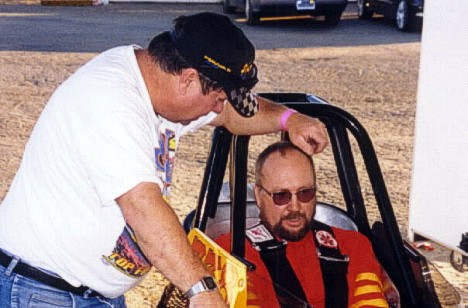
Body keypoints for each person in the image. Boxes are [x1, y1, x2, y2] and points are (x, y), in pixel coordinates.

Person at [0, 12, 328, 308]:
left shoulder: (156, 83)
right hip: (42, 291)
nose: (217, 108)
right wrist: (202, 289)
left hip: (90, 293)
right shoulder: (110, 100)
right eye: (215, 98)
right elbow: (142, 208)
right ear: (187, 79)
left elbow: (231, 116)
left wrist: (288, 119)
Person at [215, 142, 390, 308]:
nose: (295, 207)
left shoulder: (353, 245)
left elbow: (370, 302)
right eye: (281, 195)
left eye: (305, 193)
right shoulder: (230, 252)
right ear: (259, 196)